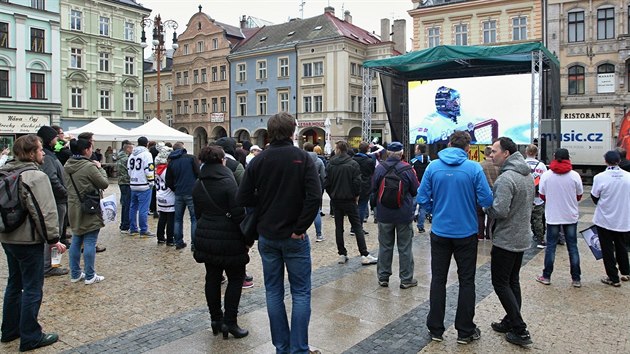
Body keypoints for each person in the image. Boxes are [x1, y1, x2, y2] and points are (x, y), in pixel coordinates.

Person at [236, 112, 322, 354]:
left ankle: (282, 347)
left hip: (268, 235)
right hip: (294, 237)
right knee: (301, 292)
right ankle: (299, 349)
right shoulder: (302, 158)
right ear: (293, 131)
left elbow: (242, 196)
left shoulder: (259, 160)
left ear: (270, 132)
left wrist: (263, 202)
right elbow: (314, 196)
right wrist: (299, 228)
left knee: (273, 291)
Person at [417, 130, 493, 344]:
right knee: (467, 281)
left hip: (440, 231)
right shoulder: (473, 168)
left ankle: (435, 329)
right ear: (468, 148)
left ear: (449, 144)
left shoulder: (433, 166)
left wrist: (435, 210)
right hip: (466, 232)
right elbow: (486, 198)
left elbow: (422, 197)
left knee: (438, 279)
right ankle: (465, 330)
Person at [1, 134, 66, 351]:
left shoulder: (5, 170)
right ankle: (31, 336)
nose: (42, 153)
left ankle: (9, 331)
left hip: (7, 237)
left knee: (14, 283)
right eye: (39, 150)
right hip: (28, 240)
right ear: (31, 153)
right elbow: (45, 212)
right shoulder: (34, 177)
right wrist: (54, 239)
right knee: (32, 288)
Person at [193, 146, 251, 339]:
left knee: (212, 278)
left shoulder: (198, 183)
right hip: (230, 238)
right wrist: (247, 239)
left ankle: (216, 320)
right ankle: (230, 322)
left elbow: (198, 214)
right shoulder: (228, 181)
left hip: (206, 236)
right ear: (221, 161)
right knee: (235, 279)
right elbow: (238, 214)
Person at [485, 137, 535, 348]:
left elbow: (500, 210)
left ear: (506, 153)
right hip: (522, 235)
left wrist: (486, 206)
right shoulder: (526, 174)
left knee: (500, 282)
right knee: (512, 281)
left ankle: (519, 329)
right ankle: (510, 320)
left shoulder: (506, 179)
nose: (491, 154)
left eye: (494, 151)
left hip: (506, 239)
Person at [372, 141, 420, 288]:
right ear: (401, 153)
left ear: (388, 153)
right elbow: (415, 190)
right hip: (403, 214)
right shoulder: (407, 169)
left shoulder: (380, 168)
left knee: (385, 246)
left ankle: (383, 277)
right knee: (405, 247)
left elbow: (373, 188)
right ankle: (406, 279)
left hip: (384, 214)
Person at [64, 138, 109, 285]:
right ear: (86, 150)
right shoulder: (89, 166)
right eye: (91, 148)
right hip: (88, 207)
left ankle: (75, 273)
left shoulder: (67, 164)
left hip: (73, 206)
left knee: (77, 240)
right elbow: (104, 183)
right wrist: (100, 168)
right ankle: (90, 275)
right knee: (90, 240)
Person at [325, 140, 378, 266]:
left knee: (339, 227)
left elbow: (327, 183)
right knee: (357, 226)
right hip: (350, 199)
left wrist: (332, 194)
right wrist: (356, 195)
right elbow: (357, 182)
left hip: (336, 199)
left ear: (337, 149)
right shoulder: (352, 164)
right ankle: (364, 254)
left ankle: (342, 253)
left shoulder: (331, 164)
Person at [536, 148, 583, 287]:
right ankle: (576, 279)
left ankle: (546, 276)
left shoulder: (547, 175)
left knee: (550, 247)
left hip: (552, 216)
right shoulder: (575, 175)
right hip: (570, 216)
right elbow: (579, 195)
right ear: (569, 158)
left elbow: (542, 195)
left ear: (554, 157)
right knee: (573, 247)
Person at [590, 150, 630, 287]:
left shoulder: (600, 177)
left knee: (607, 248)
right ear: (619, 161)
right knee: (621, 245)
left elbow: (595, 197)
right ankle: (626, 271)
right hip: (623, 217)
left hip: (604, 218)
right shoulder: (628, 176)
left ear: (605, 161)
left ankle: (613, 277)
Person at [36, 126, 69, 277]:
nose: (58, 141)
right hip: (56, 201)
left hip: (58, 200)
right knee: (54, 235)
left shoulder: (50, 155)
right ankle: (50, 266)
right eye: (56, 138)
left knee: (55, 233)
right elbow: (52, 179)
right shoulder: (48, 157)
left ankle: (51, 265)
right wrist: (64, 192)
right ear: (50, 139)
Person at [166, 142, 199, 250]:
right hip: (191, 192)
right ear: (183, 148)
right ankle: (194, 244)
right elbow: (198, 174)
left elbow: (168, 181)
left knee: (178, 219)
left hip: (178, 192)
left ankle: (178, 242)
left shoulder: (171, 162)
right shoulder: (191, 158)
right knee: (194, 218)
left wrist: (175, 189)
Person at [127, 136, 156, 238]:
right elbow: (149, 168)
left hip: (133, 184)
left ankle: (133, 228)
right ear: (147, 144)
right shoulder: (147, 154)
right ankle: (143, 230)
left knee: (133, 207)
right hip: (143, 184)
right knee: (144, 208)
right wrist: (151, 181)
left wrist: (133, 178)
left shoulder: (132, 155)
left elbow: (129, 170)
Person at [524, 144, 548, 248]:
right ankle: (540, 239)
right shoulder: (541, 166)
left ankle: (526, 237)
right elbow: (546, 179)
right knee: (538, 218)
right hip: (538, 196)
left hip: (525, 196)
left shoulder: (522, 163)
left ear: (526, 152)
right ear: (536, 153)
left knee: (525, 217)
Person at [352, 141, 376, 234]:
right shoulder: (369, 161)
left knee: (354, 207)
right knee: (362, 206)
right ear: (367, 149)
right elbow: (372, 172)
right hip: (365, 185)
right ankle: (358, 228)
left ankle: (353, 227)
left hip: (354, 184)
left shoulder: (353, 159)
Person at [304, 142, 326, 242]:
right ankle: (319, 234)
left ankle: (302, 232)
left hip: (302, 188)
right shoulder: (319, 161)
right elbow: (323, 175)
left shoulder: (300, 159)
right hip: (315, 187)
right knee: (316, 211)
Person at [476, 145, 499, 240]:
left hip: (481, 193)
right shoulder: (498, 165)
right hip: (495, 192)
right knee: (491, 216)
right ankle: (489, 235)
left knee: (479, 215)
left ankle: (480, 234)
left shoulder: (480, 165)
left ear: (485, 153)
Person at [154, 144, 175, 246]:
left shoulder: (157, 168)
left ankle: (160, 237)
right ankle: (170, 239)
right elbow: (171, 182)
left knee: (162, 217)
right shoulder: (166, 170)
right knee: (171, 218)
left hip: (160, 195)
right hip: (169, 196)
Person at [410, 143, 430, 233]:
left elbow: (410, 175)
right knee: (423, 207)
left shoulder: (413, 162)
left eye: (416, 149)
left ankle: (409, 226)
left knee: (412, 207)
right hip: (426, 187)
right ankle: (421, 227)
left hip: (416, 186)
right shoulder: (430, 162)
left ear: (418, 151)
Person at [117, 140, 133, 235]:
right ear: (127, 148)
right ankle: (125, 225)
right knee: (127, 204)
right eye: (131, 148)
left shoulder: (120, 157)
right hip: (126, 183)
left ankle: (124, 223)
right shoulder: (126, 159)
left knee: (124, 203)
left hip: (121, 182)